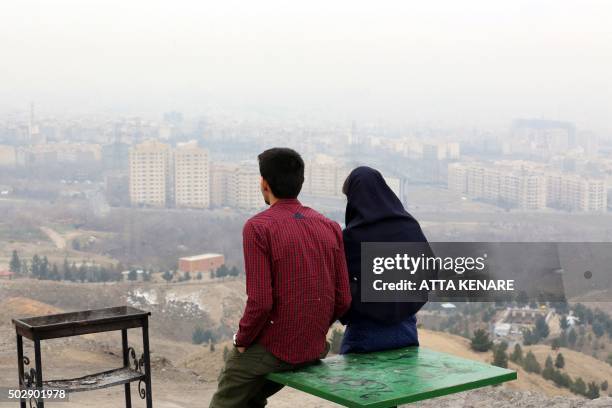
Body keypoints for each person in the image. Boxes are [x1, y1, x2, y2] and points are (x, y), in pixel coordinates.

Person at [210, 148, 352, 408]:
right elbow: (343, 300)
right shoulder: (329, 227)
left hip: (275, 350)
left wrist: (241, 341)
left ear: (264, 183)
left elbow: (261, 302)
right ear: (301, 182)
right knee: (251, 396)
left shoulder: (259, 227)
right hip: (313, 347)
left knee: (227, 394)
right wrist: (312, 327)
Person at [340, 166, 430, 354]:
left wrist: (352, 312)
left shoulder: (352, 238)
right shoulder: (409, 227)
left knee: (356, 383)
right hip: (407, 330)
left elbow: (341, 287)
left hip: (363, 333)